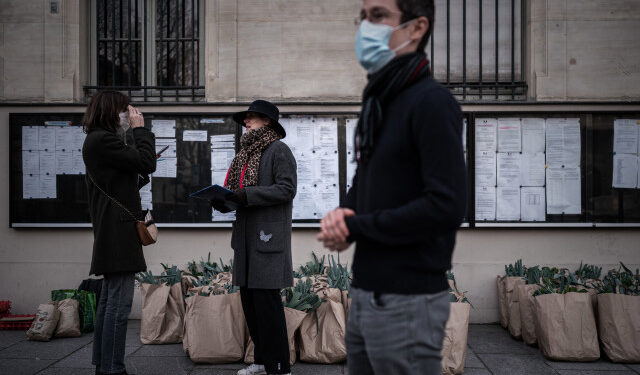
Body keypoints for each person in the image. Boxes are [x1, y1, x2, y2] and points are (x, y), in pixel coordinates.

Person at [317, 0, 467, 374]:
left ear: (417, 28)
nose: (367, 27)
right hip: (367, 292)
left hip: (408, 301)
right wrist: (344, 213)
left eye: (380, 16)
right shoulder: (382, 100)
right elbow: (368, 183)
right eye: (364, 17)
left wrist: (357, 226)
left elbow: (446, 206)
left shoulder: (432, 102)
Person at [216, 100, 297, 375]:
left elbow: (286, 189)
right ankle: (263, 361)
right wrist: (224, 201)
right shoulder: (245, 155)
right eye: (246, 118)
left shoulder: (279, 150)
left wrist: (245, 195)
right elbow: (240, 194)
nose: (246, 121)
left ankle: (280, 367)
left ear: (268, 122)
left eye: (253, 117)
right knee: (250, 304)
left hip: (267, 239)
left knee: (268, 306)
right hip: (246, 239)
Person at [82, 91, 156, 375]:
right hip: (118, 230)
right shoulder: (103, 139)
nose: (130, 114)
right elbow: (147, 161)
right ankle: (113, 368)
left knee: (110, 301)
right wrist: (141, 131)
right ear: (112, 111)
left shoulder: (98, 140)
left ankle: (105, 365)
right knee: (119, 305)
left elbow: (118, 181)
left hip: (114, 227)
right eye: (126, 110)